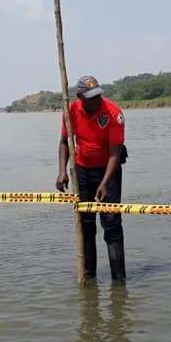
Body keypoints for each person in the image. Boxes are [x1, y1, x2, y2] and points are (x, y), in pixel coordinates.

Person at [56, 75, 126, 282]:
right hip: (82, 171)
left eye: (98, 96)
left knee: (111, 224)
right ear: (79, 97)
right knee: (85, 224)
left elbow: (115, 152)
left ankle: (119, 281)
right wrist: (61, 171)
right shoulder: (70, 111)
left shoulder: (113, 113)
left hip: (108, 171)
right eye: (91, 97)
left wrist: (105, 183)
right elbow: (63, 142)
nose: (96, 101)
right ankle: (88, 277)